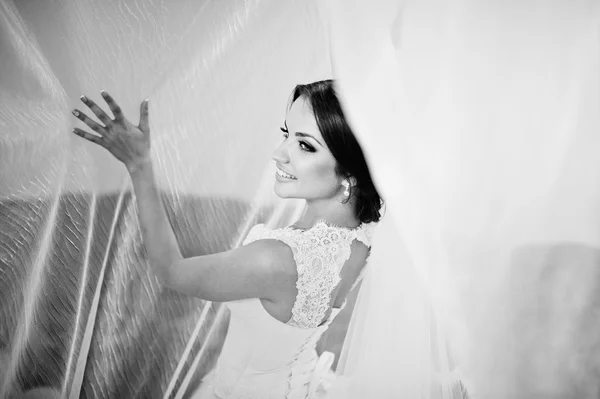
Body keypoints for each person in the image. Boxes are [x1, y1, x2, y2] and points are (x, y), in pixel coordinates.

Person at [71, 79, 383, 398]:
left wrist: (139, 165)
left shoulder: (275, 258)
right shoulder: (366, 237)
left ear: (351, 172)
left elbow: (170, 270)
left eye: (305, 145)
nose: (278, 154)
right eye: (286, 134)